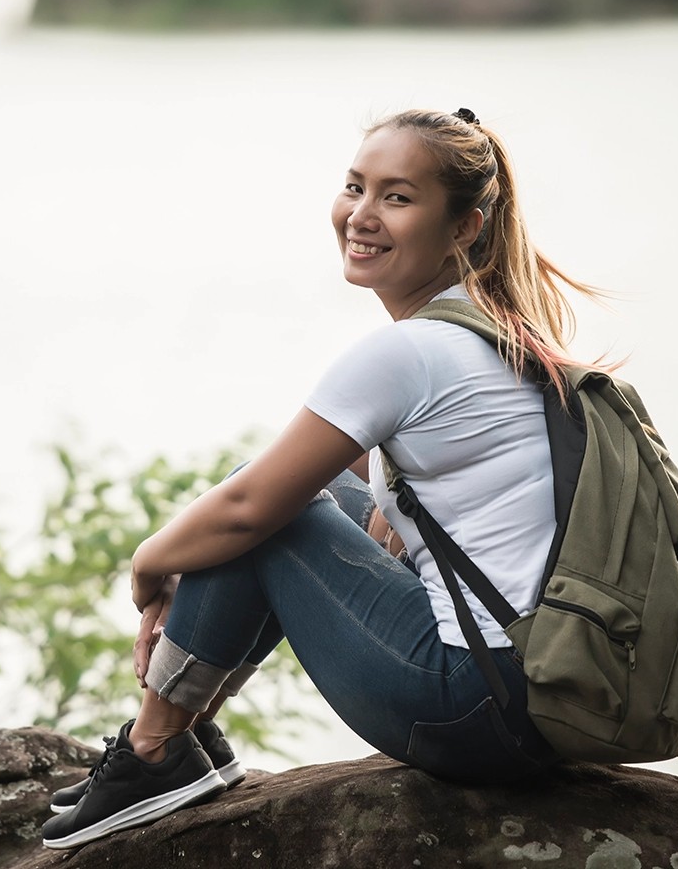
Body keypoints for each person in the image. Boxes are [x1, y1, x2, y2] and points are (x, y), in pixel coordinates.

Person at [42, 106, 605, 850]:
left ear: (464, 226)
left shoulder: (411, 354)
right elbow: (382, 498)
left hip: (476, 709)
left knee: (266, 510)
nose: (360, 215)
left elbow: (247, 508)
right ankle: (182, 735)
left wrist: (151, 565)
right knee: (325, 493)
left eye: (397, 198)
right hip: (546, 699)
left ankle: (155, 747)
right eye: (354, 187)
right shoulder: (498, 332)